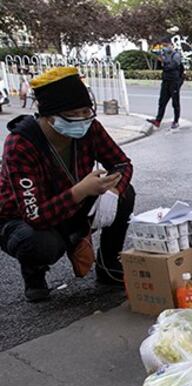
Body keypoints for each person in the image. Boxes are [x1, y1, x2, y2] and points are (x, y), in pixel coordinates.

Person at [0, 67, 136, 302]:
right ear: (49, 116)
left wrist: (114, 191)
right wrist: (80, 191)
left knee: (126, 193)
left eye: (86, 111)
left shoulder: (90, 127)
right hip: (23, 219)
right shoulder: (20, 144)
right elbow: (35, 215)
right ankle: (34, 273)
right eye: (74, 114)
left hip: (72, 202)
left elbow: (122, 164)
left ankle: (108, 264)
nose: (83, 119)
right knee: (39, 243)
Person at [147, 40, 184, 130]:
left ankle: (176, 121)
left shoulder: (176, 55)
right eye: (164, 46)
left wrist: (163, 62)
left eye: (167, 45)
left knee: (175, 103)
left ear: (172, 45)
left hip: (174, 81)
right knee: (162, 102)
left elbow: (172, 66)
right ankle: (158, 120)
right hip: (165, 81)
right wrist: (160, 60)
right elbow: (161, 67)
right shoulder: (163, 55)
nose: (165, 47)